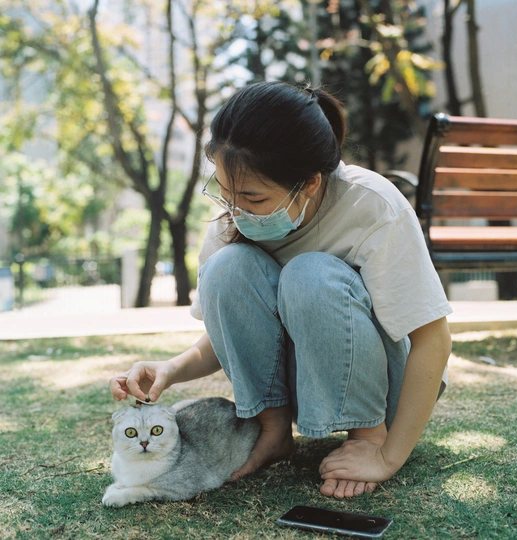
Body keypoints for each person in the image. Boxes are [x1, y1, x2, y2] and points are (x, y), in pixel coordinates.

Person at [109, 81, 453, 499]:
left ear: (309, 183)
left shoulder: (372, 205)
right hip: (304, 383)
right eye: (225, 193)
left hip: (388, 390)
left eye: (253, 198)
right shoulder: (230, 219)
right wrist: (171, 368)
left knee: (309, 274)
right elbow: (234, 332)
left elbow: (432, 339)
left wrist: (388, 455)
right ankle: (273, 431)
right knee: (227, 267)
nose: (236, 210)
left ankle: (367, 434)